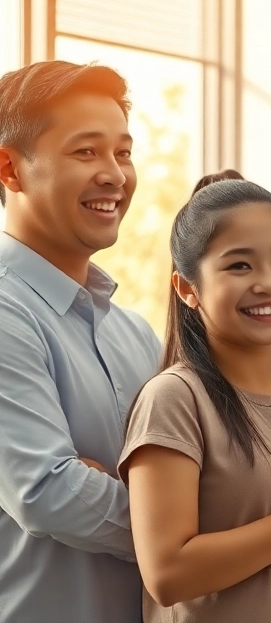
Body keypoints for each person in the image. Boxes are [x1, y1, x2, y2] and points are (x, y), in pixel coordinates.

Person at [119, 172, 271, 623]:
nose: (270, 282)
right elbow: (167, 573)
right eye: (239, 266)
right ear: (187, 289)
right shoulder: (175, 399)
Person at [0, 61, 160, 622]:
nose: (115, 175)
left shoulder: (135, 333)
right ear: (11, 169)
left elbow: (209, 470)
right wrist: (178, 533)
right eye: (86, 152)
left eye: (123, 152)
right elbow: (47, 492)